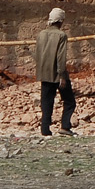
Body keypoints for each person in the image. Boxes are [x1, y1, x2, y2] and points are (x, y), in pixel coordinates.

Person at [35, 7, 76, 136]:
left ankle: (45, 130)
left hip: (44, 73)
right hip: (57, 74)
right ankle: (65, 126)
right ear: (61, 21)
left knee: (46, 102)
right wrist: (62, 76)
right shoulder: (61, 35)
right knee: (69, 101)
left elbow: (38, 54)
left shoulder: (41, 34)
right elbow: (61, 57)